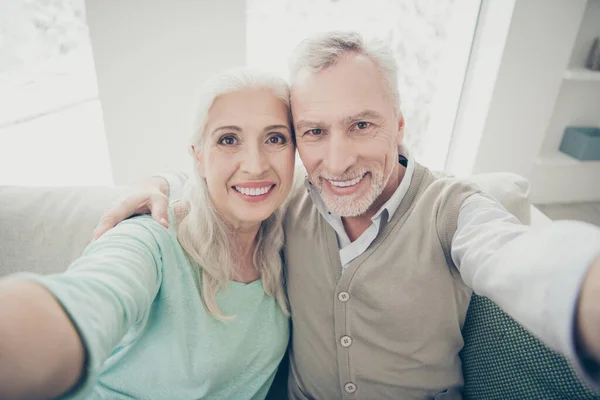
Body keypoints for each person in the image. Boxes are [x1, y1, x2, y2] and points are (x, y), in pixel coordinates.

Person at [94, 31, 600, 399]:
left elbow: (519, 256)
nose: (336, 162)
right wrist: (155, 183)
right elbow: (221, 179)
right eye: (314, 131)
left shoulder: (453, 209)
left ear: (398, 126)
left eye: (361, 125)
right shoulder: (286, 198)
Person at [0, 68, 296, 400]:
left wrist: (156, 180)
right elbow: (92, 295)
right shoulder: (152, 235)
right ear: (199, 156)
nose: (255, 165)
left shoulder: (291, 230)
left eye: (275, 138)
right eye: (228, 139)